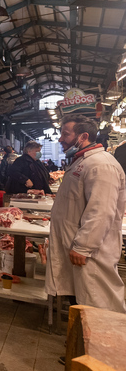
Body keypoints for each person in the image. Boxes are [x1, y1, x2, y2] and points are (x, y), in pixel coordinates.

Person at [47, 115, 126, 313]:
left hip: (91, 255)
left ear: (83, 136)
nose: (60, 139)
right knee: (82, 304)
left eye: (66, 134)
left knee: (97, 308)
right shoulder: (82, 161)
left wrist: (84, 246)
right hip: (76, 250)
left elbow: (101, 210)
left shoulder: (101, 164)